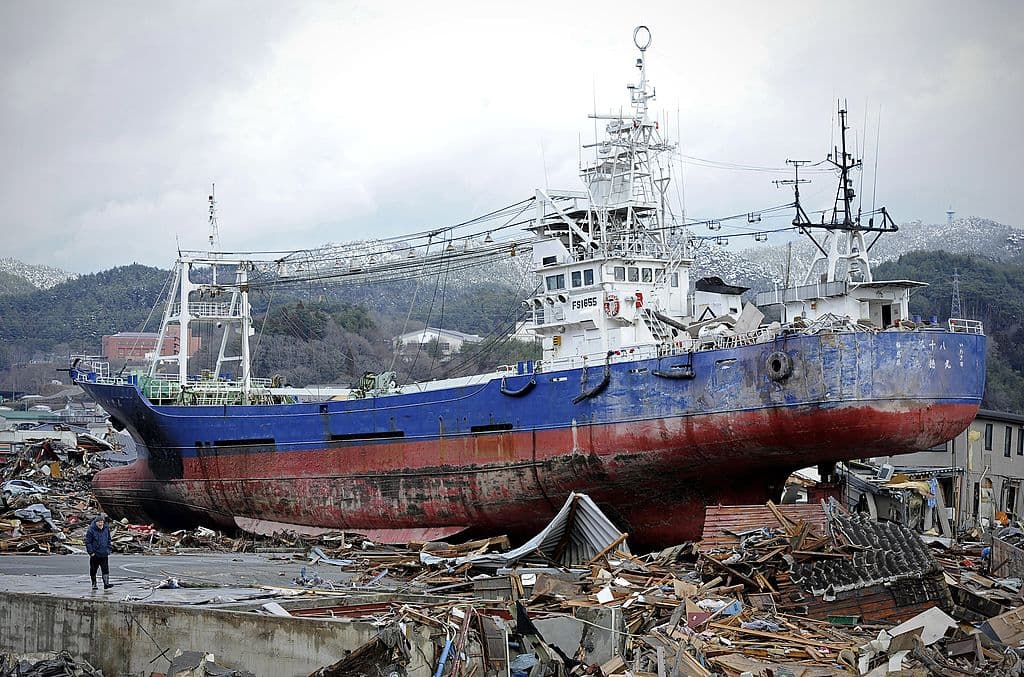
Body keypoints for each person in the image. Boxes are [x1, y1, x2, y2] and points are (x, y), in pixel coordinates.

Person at [85, 514, 113, 590]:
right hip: (95, 554)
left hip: (104, 553)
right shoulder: (91, 530)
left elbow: (109, 540)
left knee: (105, 569)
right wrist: (91, 552)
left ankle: (106, 584)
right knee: (93, 570)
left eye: (102, 522)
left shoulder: (106, 529)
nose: (101, 524)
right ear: (96, 522)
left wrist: (109, 549)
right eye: (99, 522)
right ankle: (94, 583)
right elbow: (88, 542)